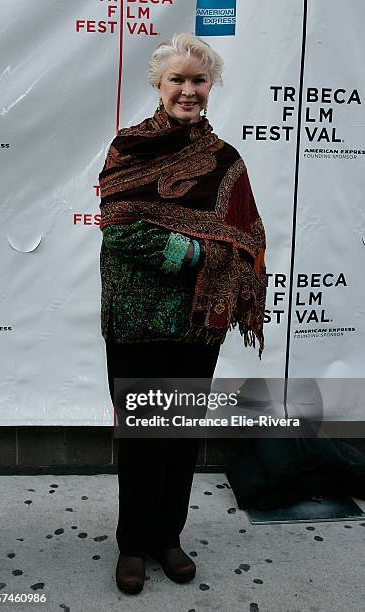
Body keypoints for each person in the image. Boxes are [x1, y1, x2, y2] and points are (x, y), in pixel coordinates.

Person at [99, 33, 267, 595]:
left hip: (200, 324)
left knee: (180, 436)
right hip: (137, 316)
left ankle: (169, 538)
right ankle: (132, 545)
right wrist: (198, 252)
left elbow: (247, 239)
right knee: (144, 435)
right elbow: (121, 230)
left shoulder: (226, 161)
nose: (189, 90)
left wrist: (211, 252)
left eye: (199, 80)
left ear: (210, 87)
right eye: (178, 80)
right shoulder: (130, 146)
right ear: (158, 84)